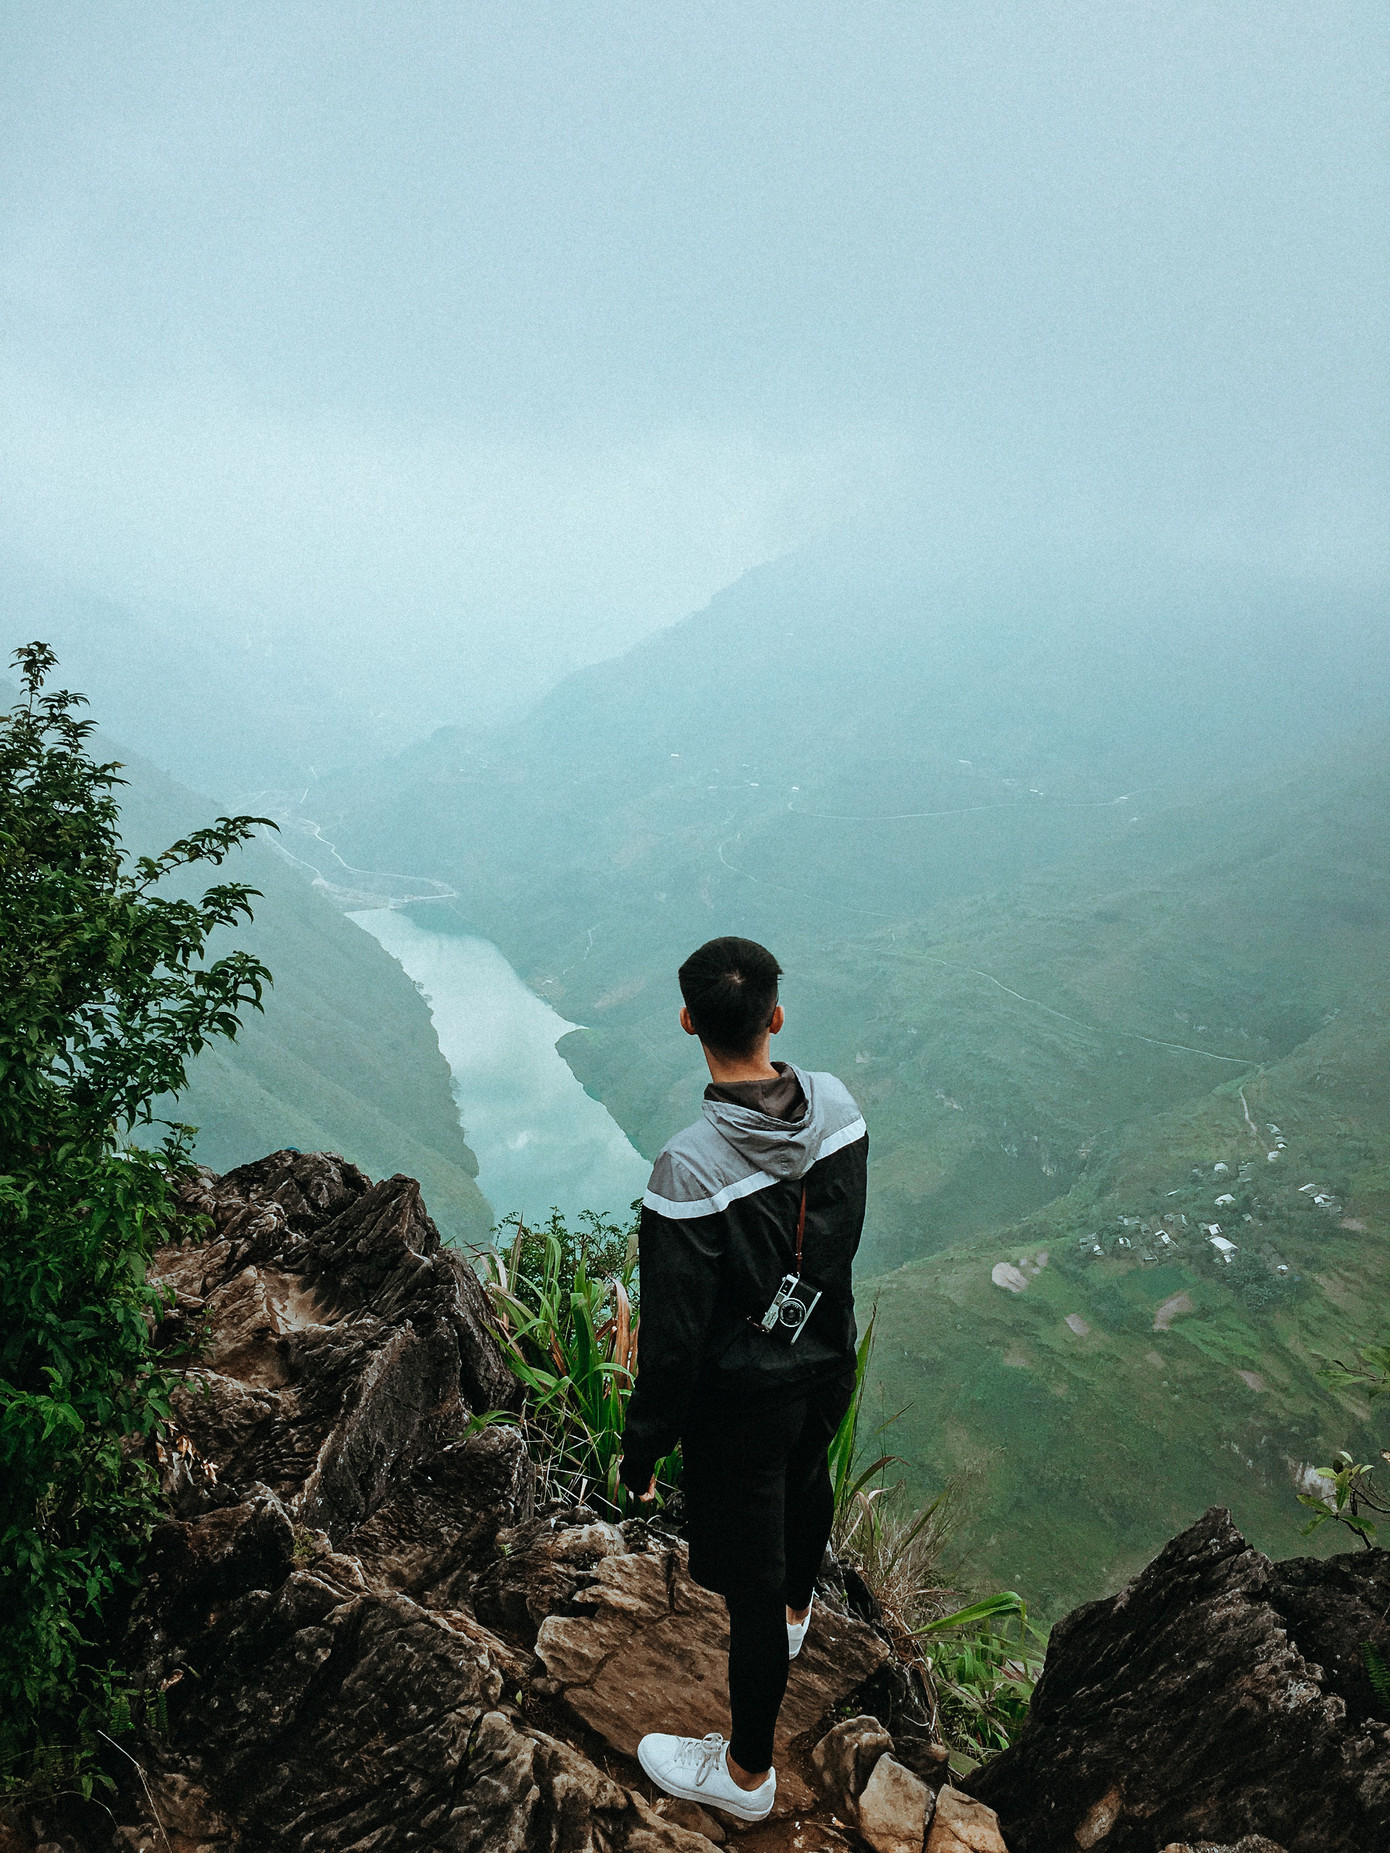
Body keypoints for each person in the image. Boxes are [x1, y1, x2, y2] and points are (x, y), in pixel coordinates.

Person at [618, 936, 867, 1824]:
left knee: (748, 1589)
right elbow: (840, 1241)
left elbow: (675, 1341)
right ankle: (802, 1613)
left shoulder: (688, 1168)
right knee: (811, 1473)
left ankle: (747, 1775)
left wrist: (642, 1447)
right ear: (777, 1015)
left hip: (741, 1406)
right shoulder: (836, 1109)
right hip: (827, 1362)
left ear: (689, 1021)